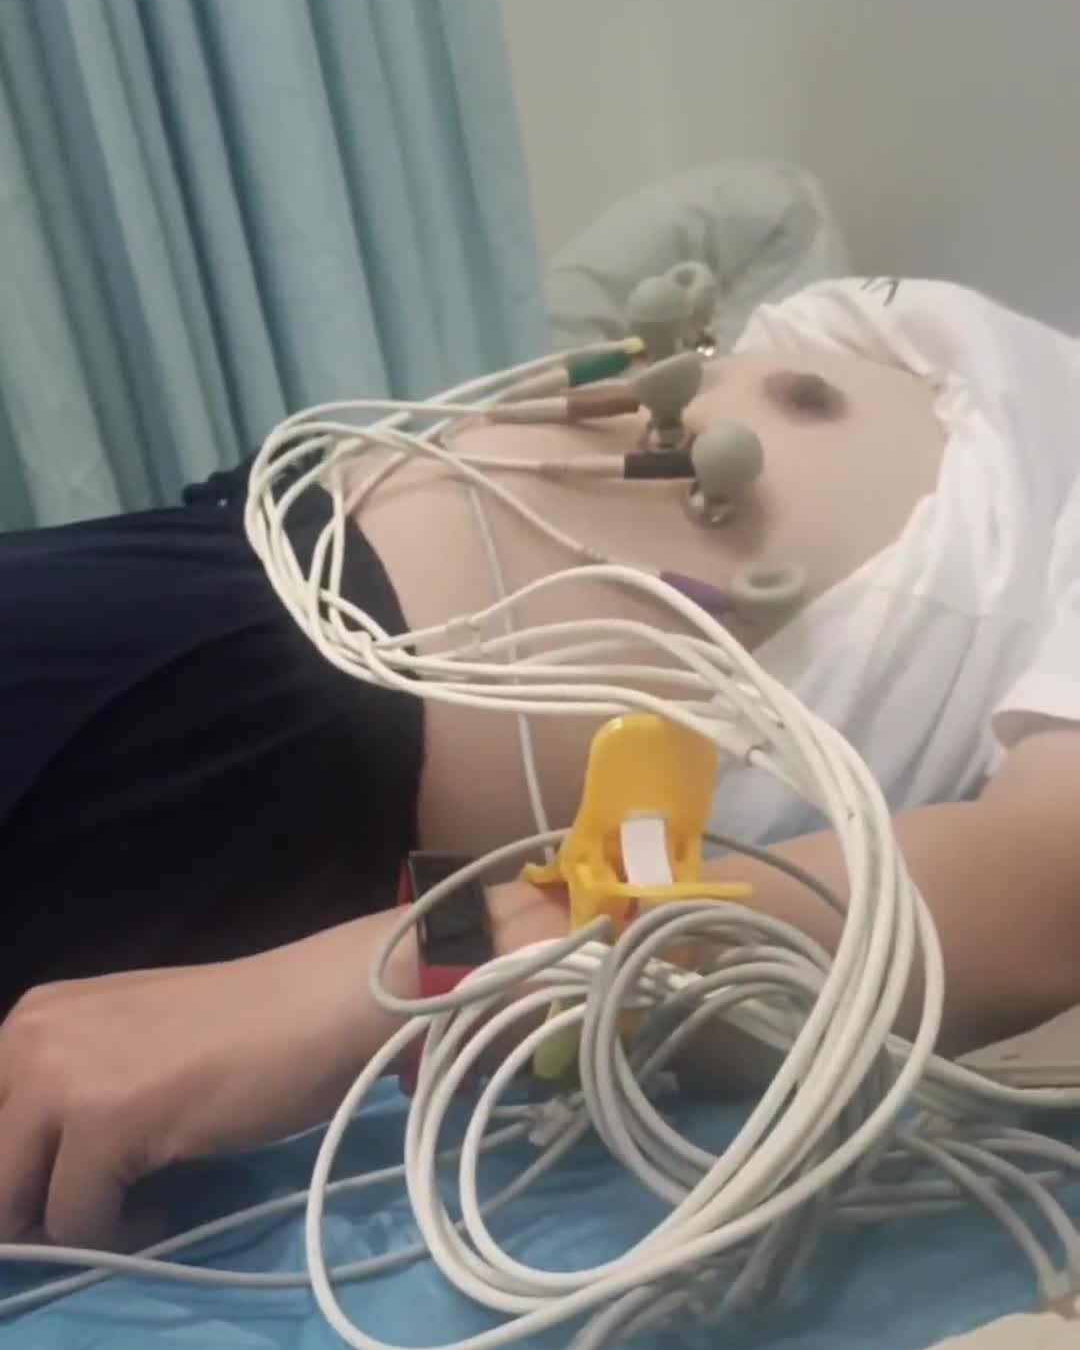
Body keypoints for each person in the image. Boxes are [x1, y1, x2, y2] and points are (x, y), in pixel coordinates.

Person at [4, 273, 1080, 1250]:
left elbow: (1044, 895)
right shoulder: (947, 331)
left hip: (260, 752)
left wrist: (407, 967)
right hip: (228, 543)